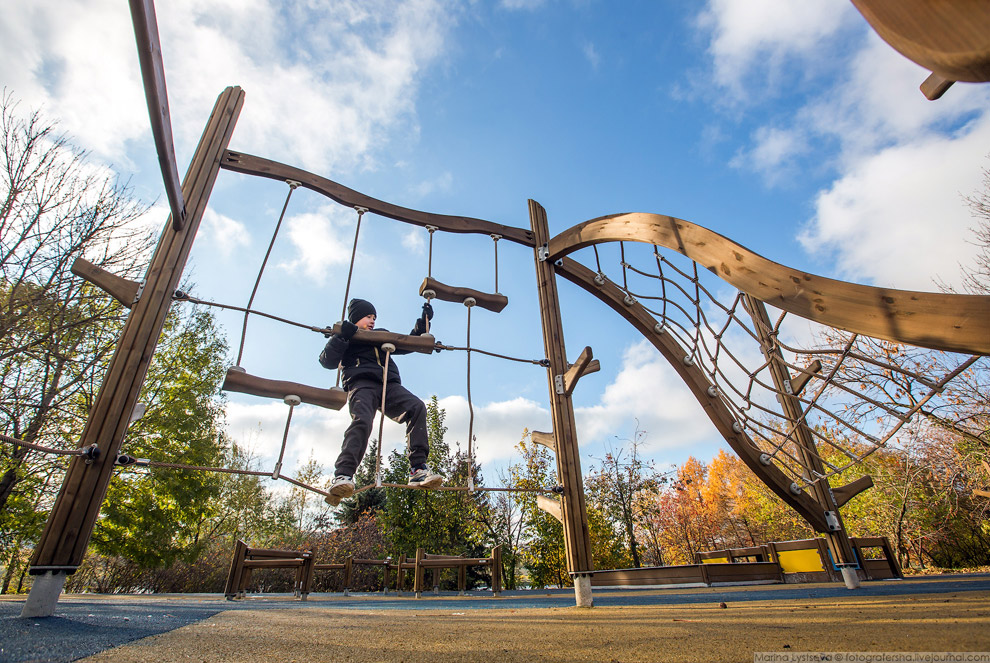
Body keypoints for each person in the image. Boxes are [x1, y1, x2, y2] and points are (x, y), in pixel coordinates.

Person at [319, 297, 441, 506]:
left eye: (374, 317)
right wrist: (341, 337)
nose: (372, 321)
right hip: (362, 384)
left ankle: (418, 469)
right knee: (362, 421)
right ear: (356, 318)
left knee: (416, 407)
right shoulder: (347, 336)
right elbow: (327, 361)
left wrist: (423, 324)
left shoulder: (381, 335)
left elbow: (408, 342)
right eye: (368, 316)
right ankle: (343, 474)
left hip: (388, 386)